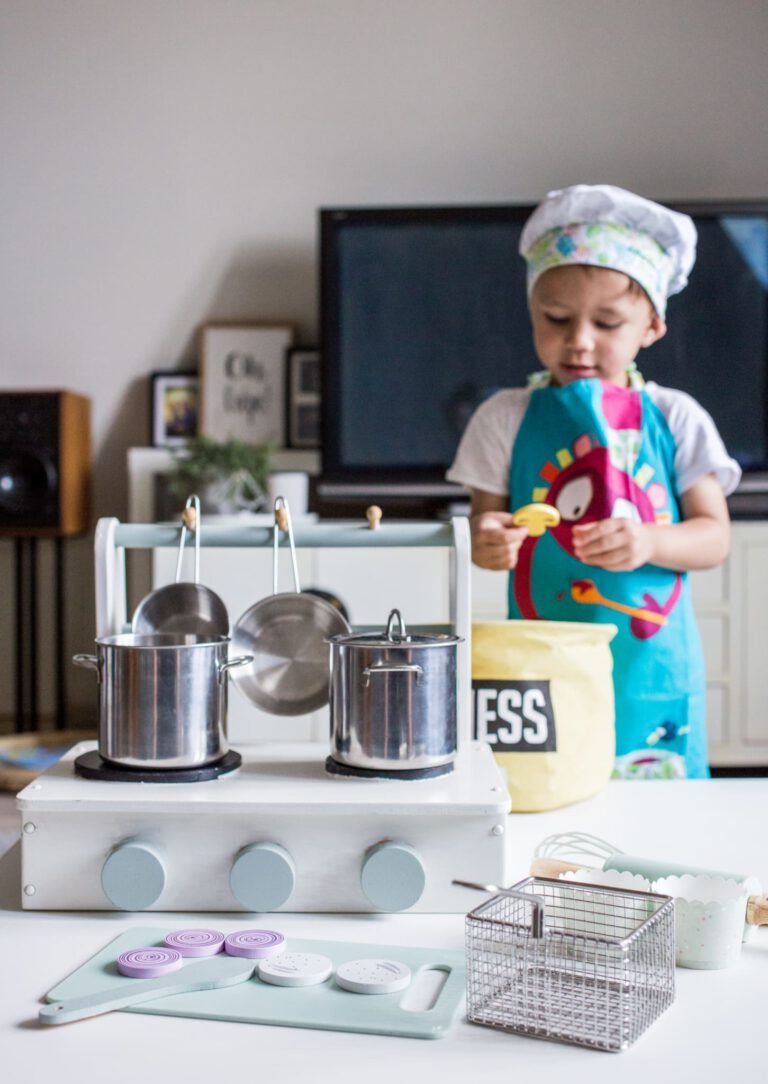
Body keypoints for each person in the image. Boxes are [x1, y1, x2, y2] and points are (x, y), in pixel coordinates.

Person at [447, 184, 741, 780]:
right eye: (555, 319)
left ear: (652, 325)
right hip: (543, 662)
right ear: (532, 312)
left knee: (659, 811)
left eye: (607, 323)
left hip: (653, 666)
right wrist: (490, 539)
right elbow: (486, 532)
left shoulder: (677, 417)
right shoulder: (502, 418)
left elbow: (714, 537)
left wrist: (650, 543)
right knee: (552, 796)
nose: (578, 341)